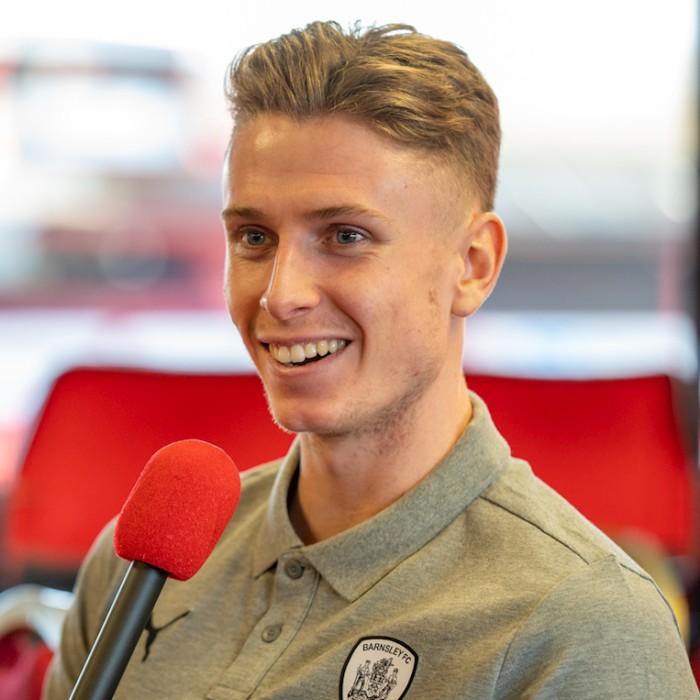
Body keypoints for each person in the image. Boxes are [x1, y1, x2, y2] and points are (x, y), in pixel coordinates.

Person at [44, 21, 698, 699]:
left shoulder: (584, 623)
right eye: (255, 237)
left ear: (473, 265)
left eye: (346, 236)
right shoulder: (139, 567)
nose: (281, 295)